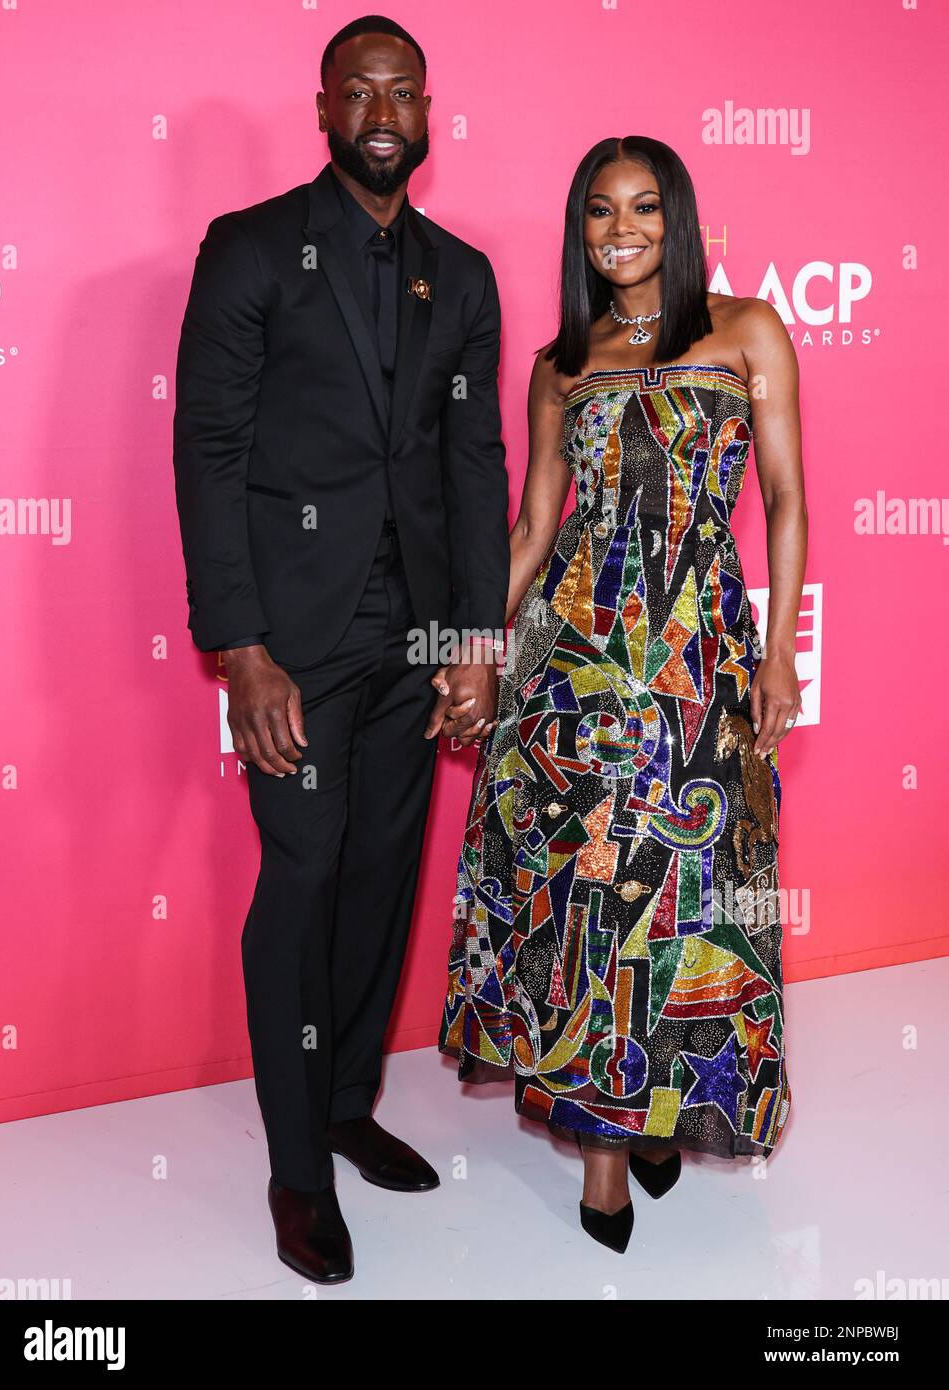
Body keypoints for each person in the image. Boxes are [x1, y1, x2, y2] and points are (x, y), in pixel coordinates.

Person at [172, 15, 509, 1284]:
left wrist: (475, 639)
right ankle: (296, 1172)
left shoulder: (461, 275)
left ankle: (349, 1101)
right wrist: (241, 647)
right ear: (322, 109)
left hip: (417, 642)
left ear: (428, 113)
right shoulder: (252, 249)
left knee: (380, 877)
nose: (382, 109)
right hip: (297, 650)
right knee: (302, 880)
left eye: (402, 90)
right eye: (357, 89)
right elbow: (206, 449)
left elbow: (474, 466)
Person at [439, 136, 806, 1254]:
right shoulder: (562, 364)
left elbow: (787, 499)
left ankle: (659, 1105)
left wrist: (780, 652)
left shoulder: (746, 331)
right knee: (592, 891)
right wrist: (466, 645)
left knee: (688, 893)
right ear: (580, 229)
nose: (623, 229)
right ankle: (605, 1154)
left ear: (678, 216)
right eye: (601, 212)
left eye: (644, 207)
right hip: (574, 672)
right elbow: (535, 529)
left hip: (697, 661)